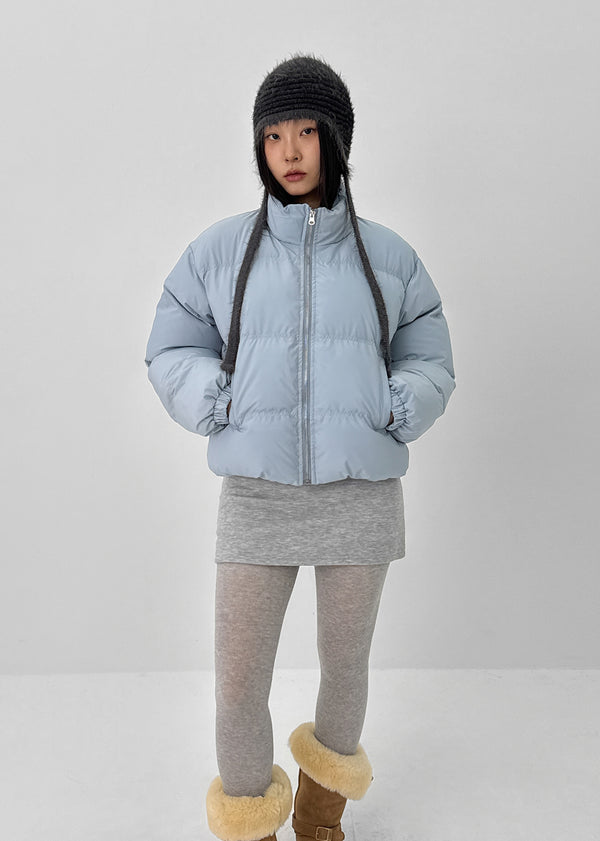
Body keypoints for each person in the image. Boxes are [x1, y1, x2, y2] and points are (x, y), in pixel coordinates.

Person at [145, 53, 456, 841]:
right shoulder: (220, 251)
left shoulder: (389, 256)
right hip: (256, 494)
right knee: (237, 681)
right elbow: (171, 342)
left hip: (360, 493)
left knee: (344, 667)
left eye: (306, 132)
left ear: (336, 140)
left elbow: (429, 352)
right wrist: (213, 398)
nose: (288, 150)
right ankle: (250, 822)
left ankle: (321, 818)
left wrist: (399, 402)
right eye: (273, 134)